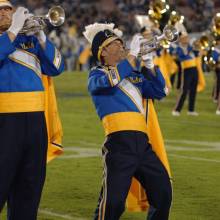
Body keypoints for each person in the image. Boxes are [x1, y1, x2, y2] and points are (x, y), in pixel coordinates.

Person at [83, 22, 172, 220]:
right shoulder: (97, 74)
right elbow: (111, 81)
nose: (122, 46)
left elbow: (161, 91)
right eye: (116, 43)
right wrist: (132, 57)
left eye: (122, 43)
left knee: (163, 191)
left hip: (143, 144)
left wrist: (149, 65)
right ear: (103, 51)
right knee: (113, 203)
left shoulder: (133, 75)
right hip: (118, 144)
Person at [0, 1, 64, 219]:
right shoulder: (8, 37)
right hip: (4, 121)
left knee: (29, 188)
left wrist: (42, 38)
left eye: (8, 9)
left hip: (36, 122)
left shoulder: (30, 40)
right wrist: (13, 30)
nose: (4, 13)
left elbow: (56, 67)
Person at [172, 33, 200, 116]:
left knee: (193, 90)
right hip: (186, 70)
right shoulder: (178, 48)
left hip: (194, 69)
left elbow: (197, 54)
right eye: (184, 38)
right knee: (184, 90)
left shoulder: (190, 47)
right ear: (180, 39)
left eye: (187, 37)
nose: (187, 39)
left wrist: (197, 46)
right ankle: (177, 110)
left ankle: (191, 110)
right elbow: (182, 56)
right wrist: (191, 49)